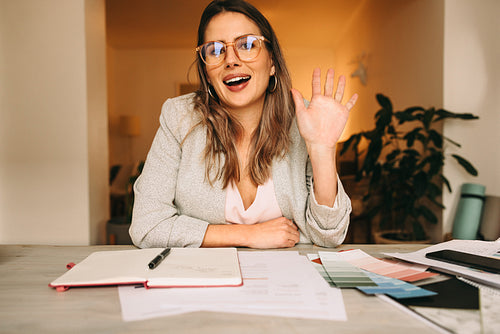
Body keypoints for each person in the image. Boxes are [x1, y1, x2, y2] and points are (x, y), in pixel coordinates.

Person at [129, 0, 358, 249]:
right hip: (204, 280)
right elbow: (147, 226)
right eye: (215, 50)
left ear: (272, 62)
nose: (231, 60)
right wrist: (249, 235)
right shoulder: (179, 117)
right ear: (206, 71)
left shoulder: (303, 119)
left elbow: (329, 236)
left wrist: (322, 151)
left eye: (247, 45)